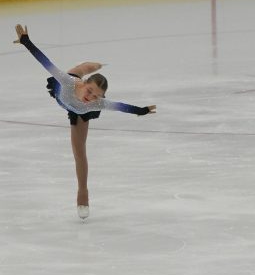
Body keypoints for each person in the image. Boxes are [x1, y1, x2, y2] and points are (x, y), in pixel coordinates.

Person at [14, 24, 156, 220]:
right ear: (85, 83)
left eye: (96, 96)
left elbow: (121, 106)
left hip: (78, 112)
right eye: (90, 91)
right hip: (68, 88)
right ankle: (95, 65)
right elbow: (45, 62)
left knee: (79, 153)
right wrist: (26, 41)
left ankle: (83, 193)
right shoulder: (68, 81)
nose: (90, 97)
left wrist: (142, 110)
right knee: (83, 68)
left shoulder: (96, 103)